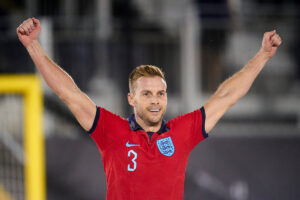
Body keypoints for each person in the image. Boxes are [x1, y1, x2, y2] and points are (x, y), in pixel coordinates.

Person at [16, 18, 282, 200]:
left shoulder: (181, 132)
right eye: (147, 94)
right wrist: (33, 46)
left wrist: (262, 56)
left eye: (160, 93)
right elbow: (69, 93)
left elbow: (225, 96)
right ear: (131, 99)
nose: (155, 100)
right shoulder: (112, 131)